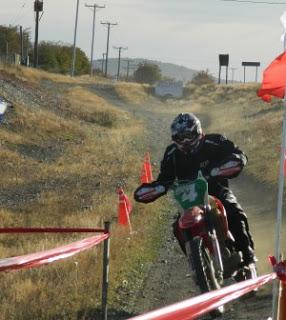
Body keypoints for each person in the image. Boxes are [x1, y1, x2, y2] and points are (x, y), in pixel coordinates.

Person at [134, 112, 257, 279]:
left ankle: (249, 259)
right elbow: (165, 178)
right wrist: (157, 188)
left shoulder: (215, 141)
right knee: (177, 227)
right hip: (189, 199)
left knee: (234, 211)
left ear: (197, 131)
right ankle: (198, 266)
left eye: (188, 135)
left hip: (216, 190)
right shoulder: (171, 153)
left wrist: (230, 163)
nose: (184, 141)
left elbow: (236, 153)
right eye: (179, 137)